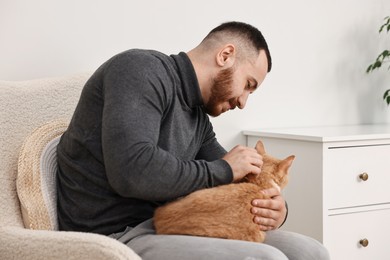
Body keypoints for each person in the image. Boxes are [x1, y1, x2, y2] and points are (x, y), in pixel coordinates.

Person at [57, 21, 329, 259]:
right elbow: (132, 171)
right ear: (226, 55)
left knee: (311, 251)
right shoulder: (139, 70)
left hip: (175, 224)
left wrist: (277, 208)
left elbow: (238, 179)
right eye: (248, 84)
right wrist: (224, 168)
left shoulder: (198, 119)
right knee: (265, 257)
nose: (244, 102)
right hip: (115, 237)